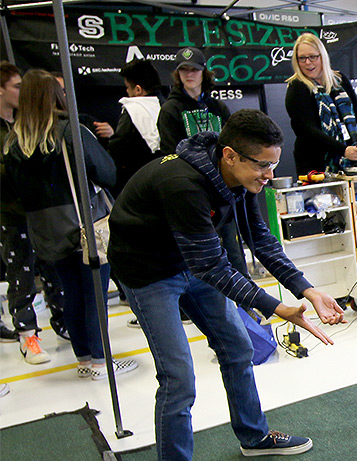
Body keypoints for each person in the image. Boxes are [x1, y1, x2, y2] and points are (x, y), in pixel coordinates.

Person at [108, 108, 345, 461]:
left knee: (237, 347)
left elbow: (262, 242)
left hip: (192, 262)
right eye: (263, 165)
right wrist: (278, 308)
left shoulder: (241, 178)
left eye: (274, 164)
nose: (270, 175)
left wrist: (307, 290)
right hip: (148, 273)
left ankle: (253, 437)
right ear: (231, 155)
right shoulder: (182, 184)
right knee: (179, 376)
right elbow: (214, 268)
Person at [3, 69, 137, 379]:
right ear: (56, 96)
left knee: (71, 295)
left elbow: (12, 192)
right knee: (94, 295)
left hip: (44, 230)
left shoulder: (14, 142)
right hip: (82, 225)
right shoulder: (69, 132)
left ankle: (85, 360)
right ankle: (102, 361)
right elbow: (107, 173)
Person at [1, 61, 69, 364]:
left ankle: (64, 322)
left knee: (53, 270)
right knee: (21, 276)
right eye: (16, 86)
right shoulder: (13, 134)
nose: (22, 91)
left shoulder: (26, 124)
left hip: (40, 214)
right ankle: (28, 335)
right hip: (11, 215)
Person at [158, 48, 246, 279]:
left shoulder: (218, 107)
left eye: (194, 69)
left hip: (224, 188)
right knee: (199, 250)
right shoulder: (170, 109)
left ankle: (247, 303)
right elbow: (170, 152)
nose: (189, 74)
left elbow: (235, 143)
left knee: (233, 246)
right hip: (192, 191)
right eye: (183, 69)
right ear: (177, 74)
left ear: (203, 72)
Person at [284, 32, 357, 174]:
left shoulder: (340, 80)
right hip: (315, 164)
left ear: (322, 56)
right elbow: (308, 131)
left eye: (312, 57)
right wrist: (343, 150)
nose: (308, 63)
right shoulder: (296, 87)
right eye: (302, 58)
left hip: (352, 161)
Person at [108, 59, 163, 197]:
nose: (126, 91)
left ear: (138, 90)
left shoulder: (133, 109)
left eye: (127, 87)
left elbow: (118, 146)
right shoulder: (169, 105)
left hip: (139, 180)